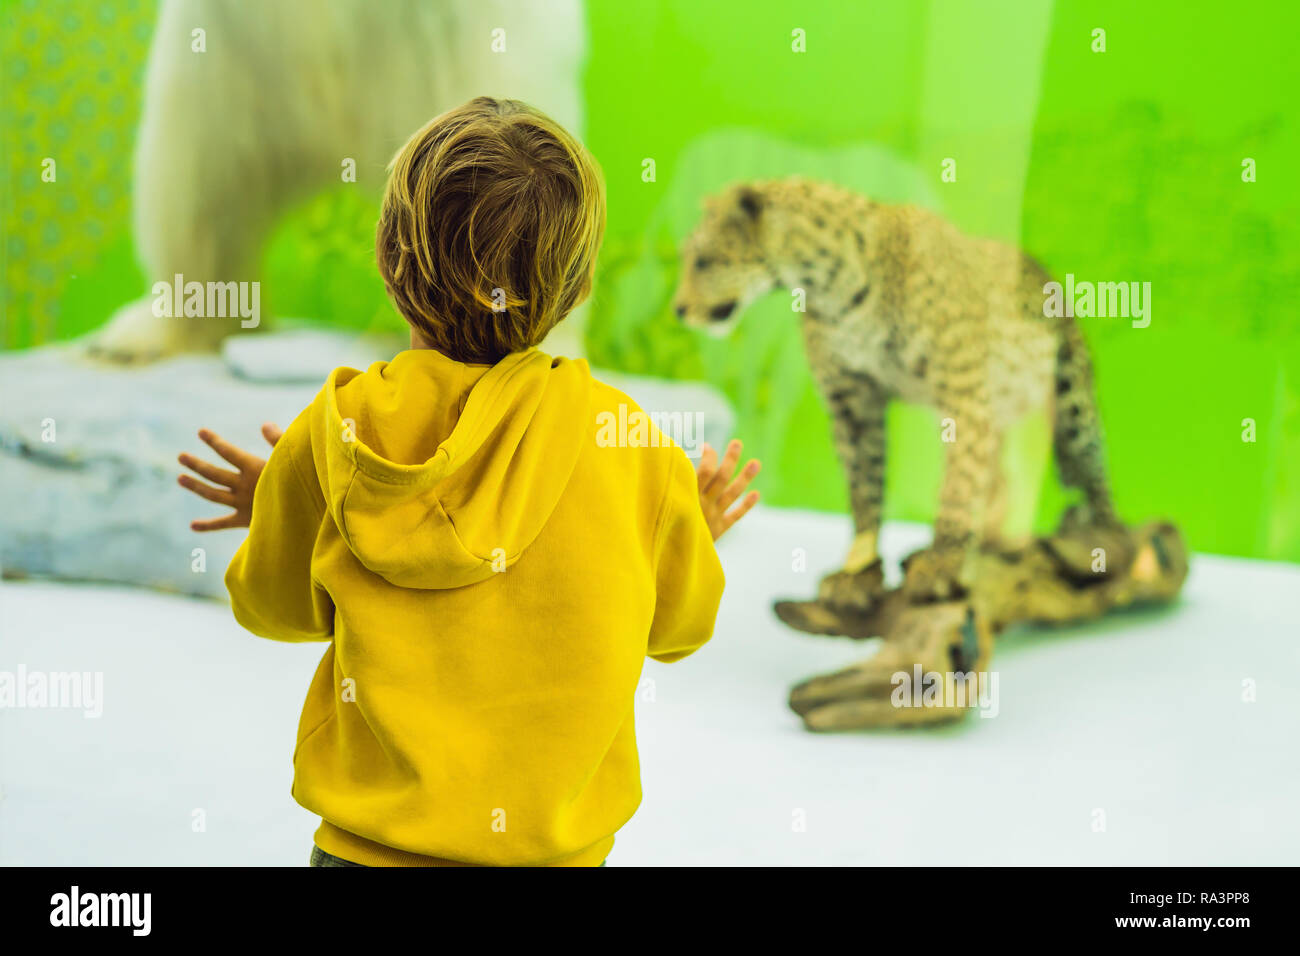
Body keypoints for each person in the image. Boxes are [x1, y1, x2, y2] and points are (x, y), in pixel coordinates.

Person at [176, 97, 759, 866]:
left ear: (388, 261)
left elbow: (274, 609)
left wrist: (286, 502)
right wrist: (686, 527)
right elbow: (678, 629)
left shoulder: (335, 433)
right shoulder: (631, 446)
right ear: (579, 286)